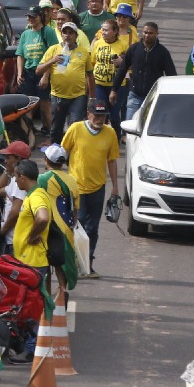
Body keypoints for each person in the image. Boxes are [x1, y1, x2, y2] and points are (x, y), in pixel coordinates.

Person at [60, 102, 119, 279]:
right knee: (80, 226)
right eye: (97, 115)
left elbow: (112, 160)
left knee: (92, 229)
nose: (100, 119)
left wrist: (115, 187)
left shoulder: (110, 133)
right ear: (88, 113)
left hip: (98, 188)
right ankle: (75, 264)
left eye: (103, 116)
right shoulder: (76, 129)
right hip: (76, 188)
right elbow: (63, 152)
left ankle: (87, 265)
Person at [11, 159, 51, 356]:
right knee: (26, 307)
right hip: (28, 261)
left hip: (32, 262)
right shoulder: (33, 195)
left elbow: (43, 217)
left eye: (16, 177)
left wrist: (31, 236)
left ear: (23, 177)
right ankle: (27, 345)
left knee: (31, 308)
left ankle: (31, 349)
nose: (15, 181)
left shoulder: (36, 196)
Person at [36, 22, 94, 142]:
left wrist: (92, 98)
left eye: (71, 33)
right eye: (65, 33)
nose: (67, 35)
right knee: (56, 128)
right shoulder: (53, 49)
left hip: (78, 96)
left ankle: (73, 151)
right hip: (58, 96)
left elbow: (90, 75)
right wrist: (52, 60)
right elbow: (38, 70)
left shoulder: (83, 52)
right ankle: (55, 150)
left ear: (76, 36)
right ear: (61, 35)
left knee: (75, 127)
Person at [111, 21, 177, 122]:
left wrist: (171, 96)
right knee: (130, 125)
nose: (147, 35)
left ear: (156, 33)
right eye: (145, 32)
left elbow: (171, 75)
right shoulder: (134, 49)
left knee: (152, 125)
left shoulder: (163, 52)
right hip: (135, 95)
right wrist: (114, 90)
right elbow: (122, 70)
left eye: (150, 33)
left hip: (154, 97)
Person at [16, 7, 59, 133]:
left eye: (33, 17)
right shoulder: (25, 34)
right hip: (28, 73)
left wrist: (46, 76)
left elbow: (53, 54)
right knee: (27, 104)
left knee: (45, 105)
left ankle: (52, 133)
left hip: (43, 71)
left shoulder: (48, 32)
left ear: (41, 16)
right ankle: (28, 133)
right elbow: (20, 55)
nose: (30, 19)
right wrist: (19, 73)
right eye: (28, 17)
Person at [89, 20, 129, 130]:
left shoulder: (123, 45)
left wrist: (122, 62)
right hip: (99, 85)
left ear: (115, 31)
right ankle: (100, 136)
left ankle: (116, 137)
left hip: (116, 86)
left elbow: (131, 65)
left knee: (114, 115)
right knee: (100, 113)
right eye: (102, 30)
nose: (103, 32)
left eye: (106, 30)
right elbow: (93, 62)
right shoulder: (97, 43)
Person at [0, 141, 31, 256]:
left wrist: (2, 231)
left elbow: (15, 212)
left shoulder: (19, 183)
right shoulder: (15, 180)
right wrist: (7, 171)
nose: (5, 161)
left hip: (14, 242)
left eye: (8, 158)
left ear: (18, 159)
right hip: (12, 241)